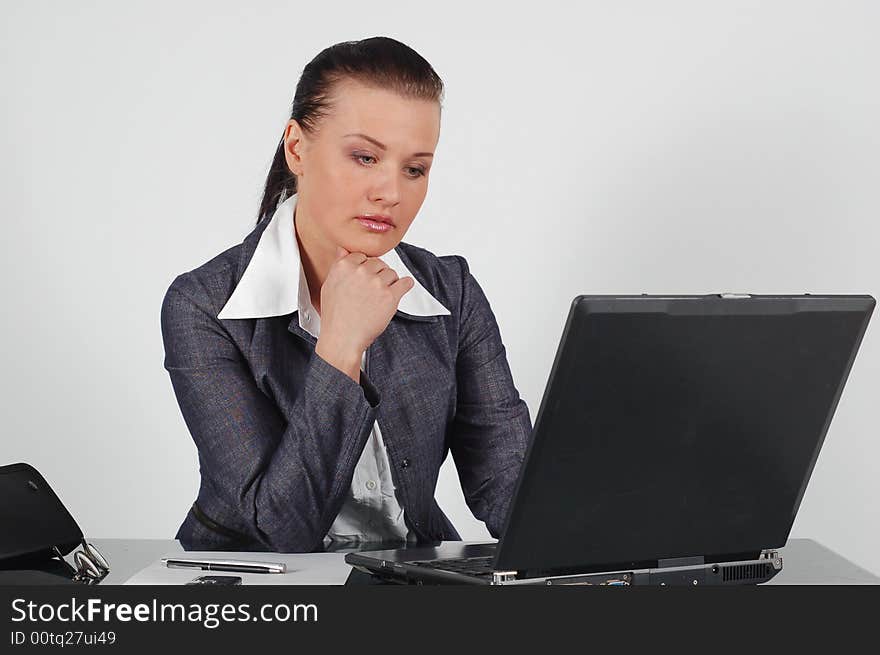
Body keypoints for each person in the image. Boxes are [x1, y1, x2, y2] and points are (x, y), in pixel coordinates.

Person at [160, 36, 532, 552]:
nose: (391, 192)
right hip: (261, 590)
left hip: (410, 577)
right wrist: (340, 346)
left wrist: (599, 539)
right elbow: (278, 528)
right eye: (364, 157)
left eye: (415, 169)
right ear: (297, 148)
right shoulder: (203, 305)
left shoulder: (452, 292)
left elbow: (506, 477)